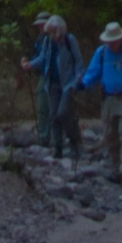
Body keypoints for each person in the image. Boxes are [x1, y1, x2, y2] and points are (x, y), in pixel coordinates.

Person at [78, 19, 122, 184]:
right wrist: (82, 84)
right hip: (108, 100)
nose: (112, 44)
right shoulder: (101, 53)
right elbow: (93, 73)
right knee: (110, 136)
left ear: (120, 39)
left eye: (114, 41)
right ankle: (116, 168)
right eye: (109, 41)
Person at [23, 14, 82, 160]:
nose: (52, 35)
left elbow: (78, 61)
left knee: (63, 113)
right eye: (50, 32)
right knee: (53, 115)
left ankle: (74, 142)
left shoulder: (69, 40)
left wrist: (79, 78)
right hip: (52, 83)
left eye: (54, 32)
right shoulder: (48, 41)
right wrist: (30, 64)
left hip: (68, 83)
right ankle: (59, 147)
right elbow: (43, 57)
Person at [20, 12, 53, 148]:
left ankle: (47, 136)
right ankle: (44, 136)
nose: (40, 27)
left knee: (49, 106)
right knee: (43, 106)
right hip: (43, 76)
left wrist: (30, 65)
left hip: (52, 76)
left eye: (42, 25)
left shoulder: (53, 39)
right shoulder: (40, 38)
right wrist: (28, 60)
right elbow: (38, 55)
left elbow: (44, 58)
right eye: (39, 25)